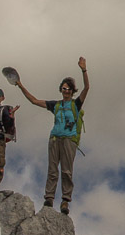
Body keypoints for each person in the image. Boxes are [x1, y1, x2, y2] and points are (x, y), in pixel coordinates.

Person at [15, 56, 89, 215]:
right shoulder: (56, 105)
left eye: (69, 89)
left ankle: (65, 201)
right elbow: (34, 101)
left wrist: (84, 70)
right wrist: (20, 86)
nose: (66, 91)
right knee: (52, 169)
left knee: (67, 171)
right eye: (64, 88)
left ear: (72, 91)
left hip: (69, 140)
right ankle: (49, 197)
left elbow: (87, 88)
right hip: (54, 138)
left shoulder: (76, 104)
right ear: (61, 90)